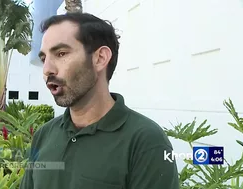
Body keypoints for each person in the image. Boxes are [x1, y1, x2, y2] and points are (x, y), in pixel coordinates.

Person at [19, 12, 179, 189]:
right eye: (44, 58)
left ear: (100, 58)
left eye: (61, 53)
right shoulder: (44, 135)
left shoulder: (145, 141)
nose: (47, 69)